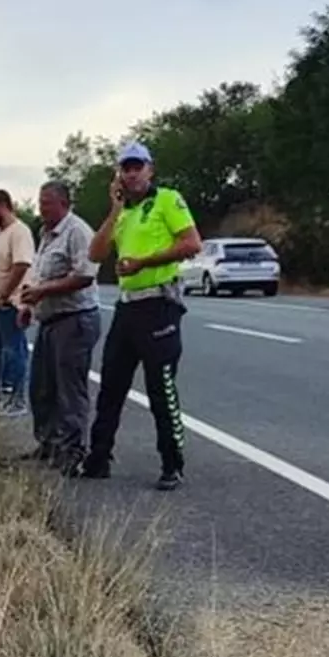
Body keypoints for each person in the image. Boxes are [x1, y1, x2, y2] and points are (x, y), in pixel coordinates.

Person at [83, 141, 202, 491]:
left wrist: (144, 262)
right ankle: (99, 458)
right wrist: (114, 210)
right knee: (111, 386)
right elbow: (96, 252)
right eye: (126, 168)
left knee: (160, 388)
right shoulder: (123, 212)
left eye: (137, 167)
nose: (131, 174)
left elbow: (192, 243)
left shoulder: (167, 200)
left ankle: (172, 462)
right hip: (127, 305)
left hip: (158, 304)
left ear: (150, 169)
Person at [14, 181, 101, 475]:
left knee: (69, 390)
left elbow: (84, 275)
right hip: (49, 320)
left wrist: (44, 292)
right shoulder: (46, 234)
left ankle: (73, 450)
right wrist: (29, 305)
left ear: (64, 203)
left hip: (74, 319)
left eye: (47, 203)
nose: (42, 208)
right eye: (40, 202)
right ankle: (49, 443)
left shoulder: (77, 231)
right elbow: (40, 274)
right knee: (42, 387)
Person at [0, 189, 35, 416]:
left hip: (8, 305)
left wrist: (5, 294)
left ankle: (17, 400)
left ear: (3, 206)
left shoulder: (19, 232)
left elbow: (21, 265)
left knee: (14, 352)